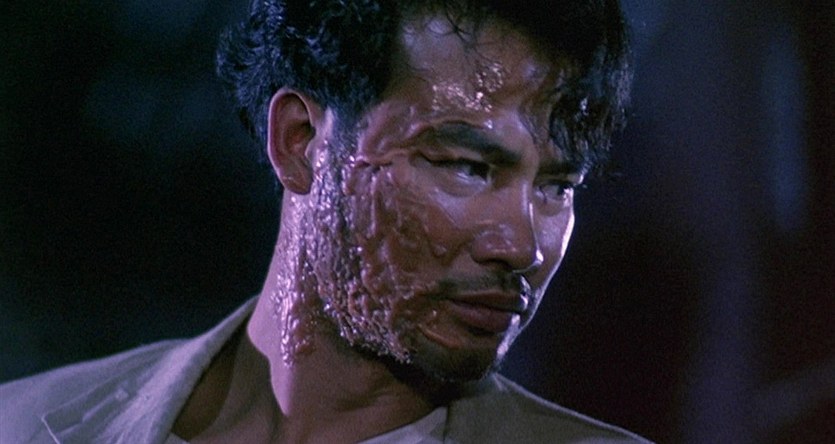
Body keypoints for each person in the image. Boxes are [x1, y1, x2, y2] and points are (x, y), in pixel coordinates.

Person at [0, 1, 649, 442]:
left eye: (557, 186)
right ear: (301, 141)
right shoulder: (27, 423)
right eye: (466, 167)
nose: (523, 245)